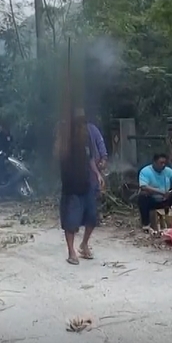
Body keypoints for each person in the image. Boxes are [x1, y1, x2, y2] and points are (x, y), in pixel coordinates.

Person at [58, 110, 105, 265]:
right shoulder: (66, 142)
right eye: (80, 125)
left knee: (92, 217)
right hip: (71, 187)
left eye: (84, 124)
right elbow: (58, 158)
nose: (84, 128)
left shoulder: (86, 142)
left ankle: (84, 244)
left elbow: (90, 159)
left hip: (87, 185)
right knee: (71, 221)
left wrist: (97, 174)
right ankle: (71, 252)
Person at [136, 153, 172, 229]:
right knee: (142, 195)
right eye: (161, 163)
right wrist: (161, 192)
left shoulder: (167, 171)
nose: (163, 165)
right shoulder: (145, 171)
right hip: (153, 199)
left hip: (166, 199)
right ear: (154, 162)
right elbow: (143, 186)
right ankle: (146, 224)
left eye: (164, 163)